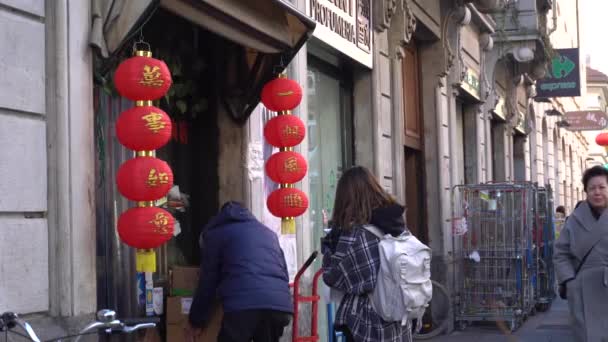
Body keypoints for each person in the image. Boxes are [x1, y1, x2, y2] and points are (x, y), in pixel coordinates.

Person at [321, 165, 412, 342]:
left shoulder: (357, 234)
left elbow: (334, 277)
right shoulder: (396, 226)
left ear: (346, 198)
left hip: (366, 323)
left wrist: (329, 249)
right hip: (398, 318)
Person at [187, 201, 292, 342]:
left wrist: (196, 320)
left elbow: (208, 281)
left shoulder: (216, 234)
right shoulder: (269, 234)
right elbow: (284, 273)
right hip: (279, 306)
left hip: (243, 306)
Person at [554, 166, 608, 342]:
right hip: (582, 291)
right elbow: (561, 253)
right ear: (586, 192)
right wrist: (569, 281)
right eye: (592, 188)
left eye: (602, 187)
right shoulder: (575, 219)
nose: (597, 192)